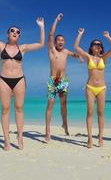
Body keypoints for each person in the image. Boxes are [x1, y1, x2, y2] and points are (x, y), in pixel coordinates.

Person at [0, 17, 45, 150]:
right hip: (4, 80)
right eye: (12, 31)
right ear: (7, 34)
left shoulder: (23, 48)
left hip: (19, 80)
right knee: (5, 110)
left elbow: (41, 44)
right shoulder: (0, 46)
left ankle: (19, 137)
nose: (15, 32)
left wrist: (41, 26)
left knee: (19, 109)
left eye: (18, 32)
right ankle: (6, 140)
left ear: (19, 36)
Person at [74, 28, 111, 148]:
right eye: (95, 44)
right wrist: (80, 34)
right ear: (91, 47)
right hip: (90, 87)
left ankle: (100, 137)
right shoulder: (88, 57)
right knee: (89, 112)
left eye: (99, 44)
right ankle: (89, 138)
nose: (98, 46)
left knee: (100, 113)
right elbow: (76, 47)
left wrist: (108, 37)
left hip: (102, 88)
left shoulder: (104, 58)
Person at [45, 13, 83, 141]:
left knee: (63, 105)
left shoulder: (66, 51)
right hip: (53, 81)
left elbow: (74, 54)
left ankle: (64, 123)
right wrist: (56, 20)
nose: (60, 41)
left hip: (63, 81)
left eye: (62, 40)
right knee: (50, 105)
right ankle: (48, 130)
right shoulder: (52, 50)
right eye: (58, 40)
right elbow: (50, 34)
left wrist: (80, 56)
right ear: (55, 42)